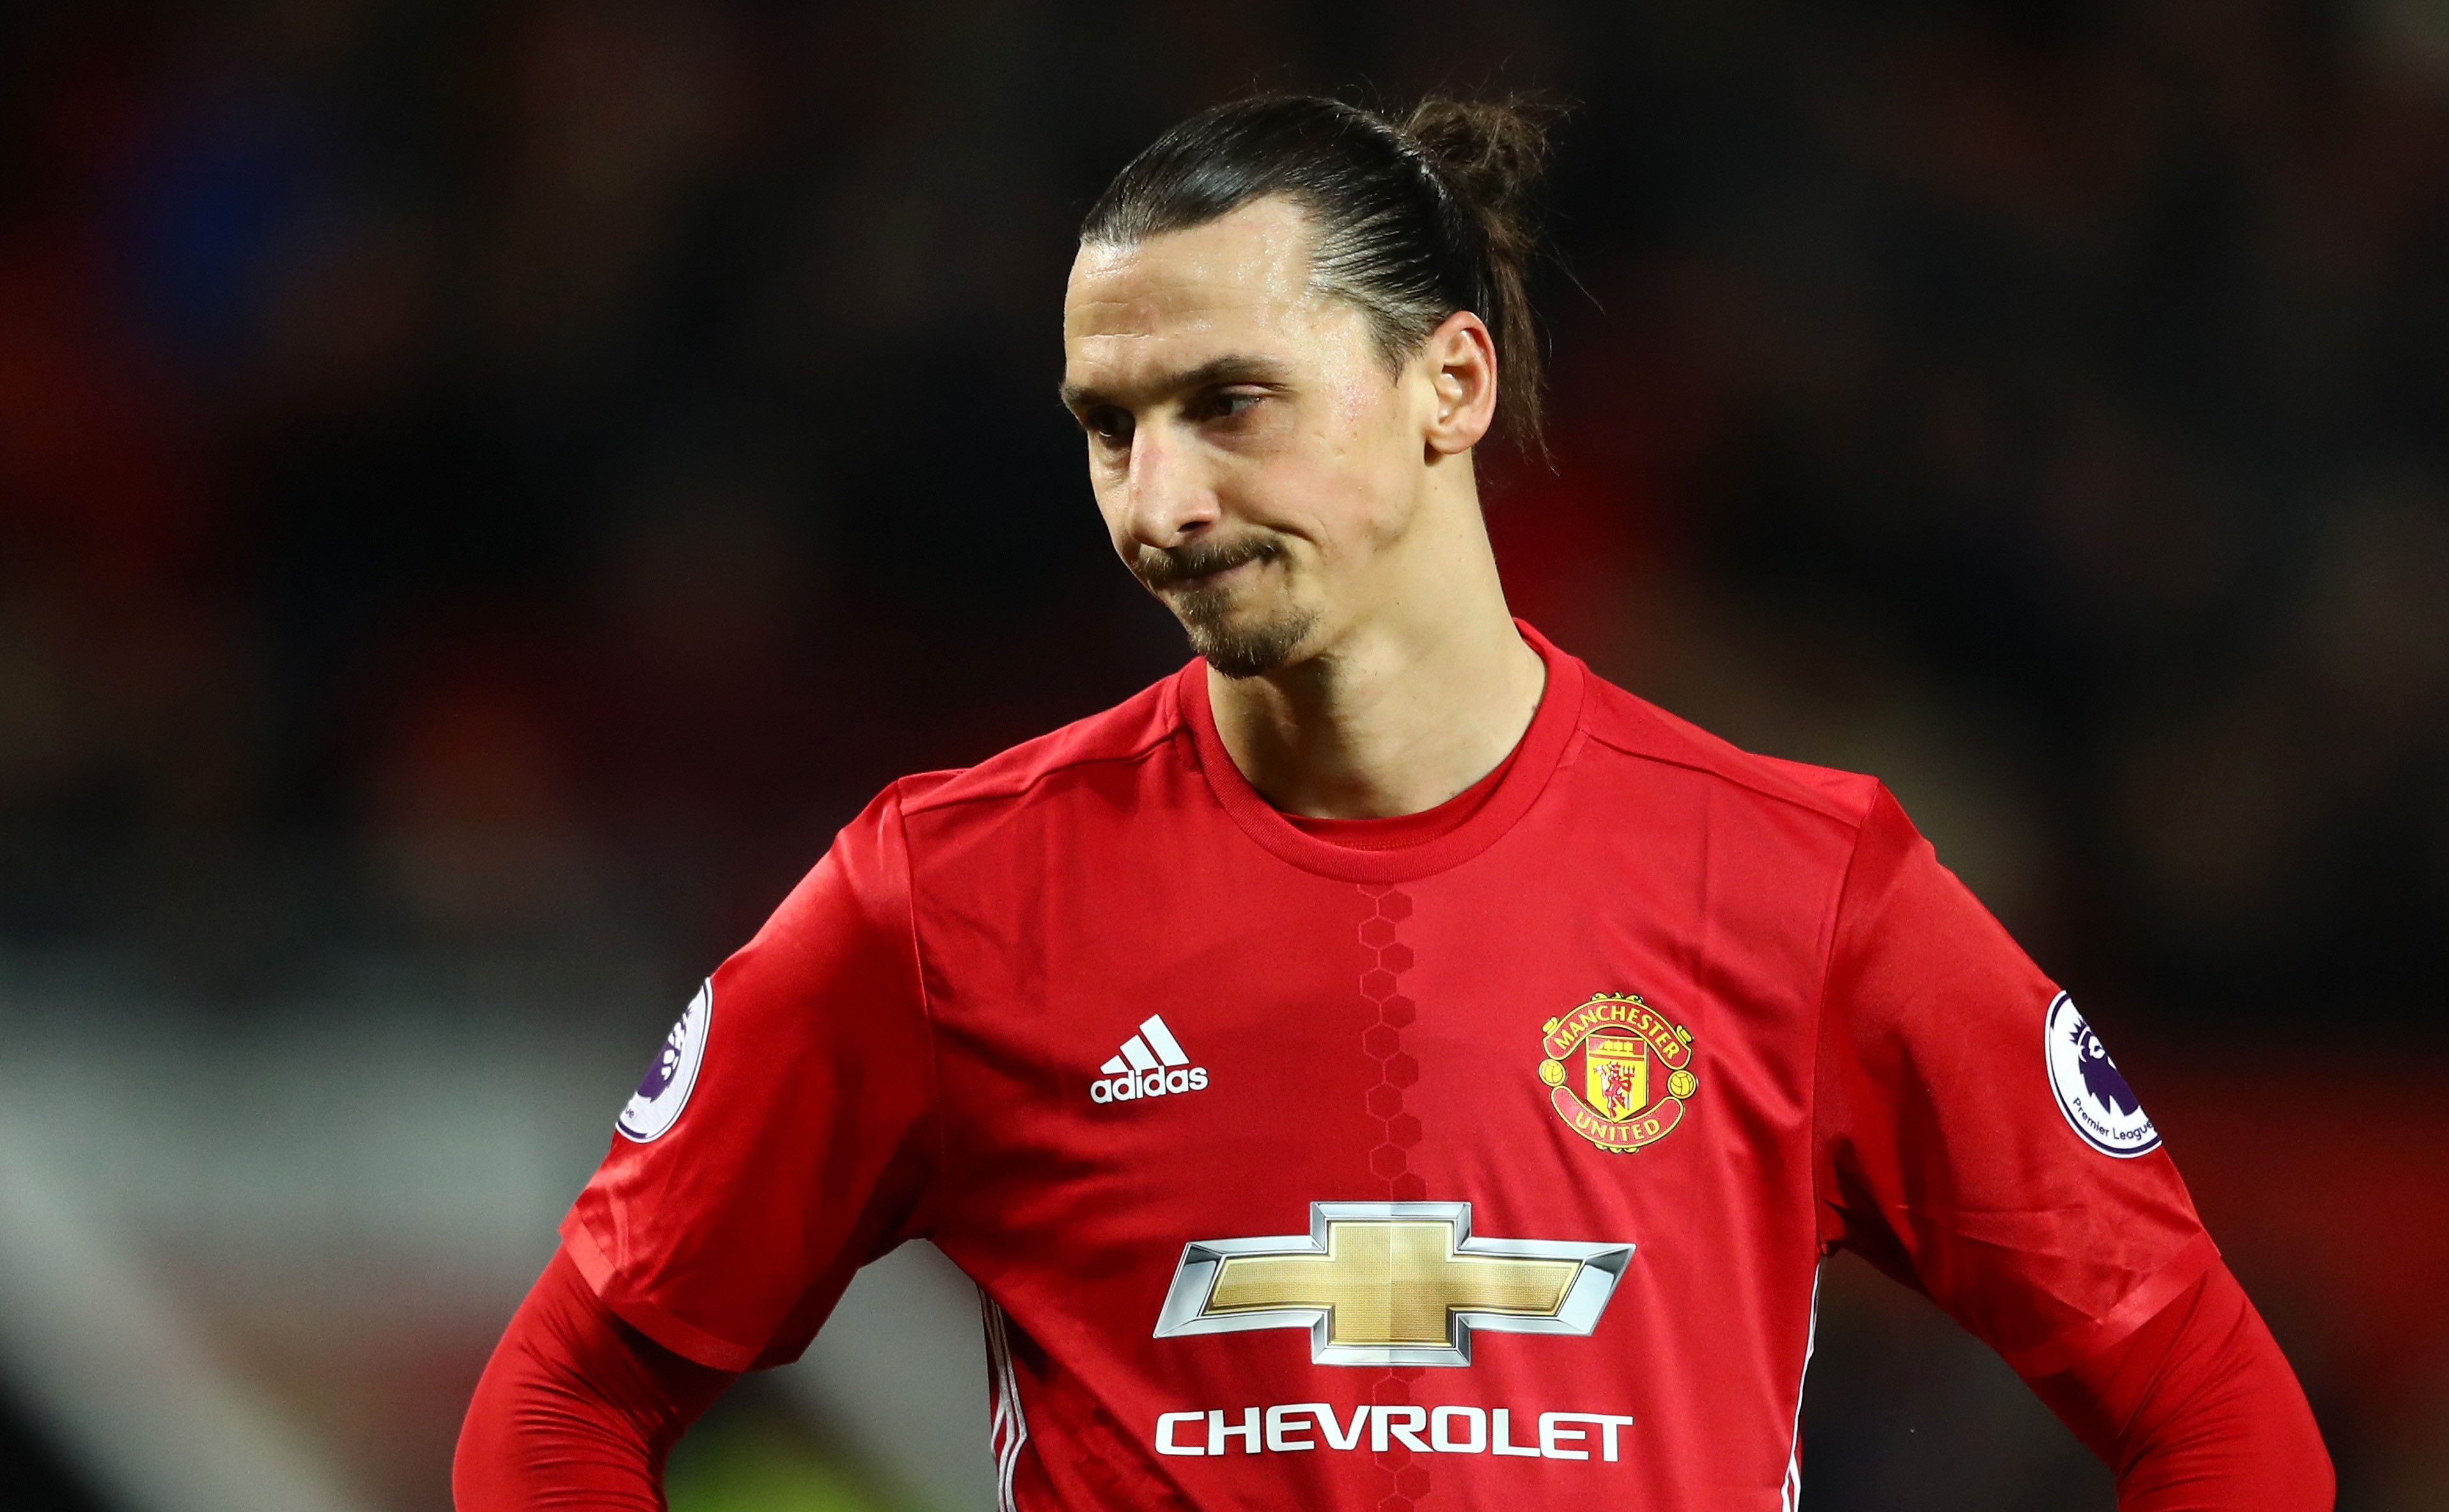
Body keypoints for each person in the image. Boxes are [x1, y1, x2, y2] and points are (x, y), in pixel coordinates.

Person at [454, 93, 2333, 1511]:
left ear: (1450, 380)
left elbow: (2209, 1406)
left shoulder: (1800, 885)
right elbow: (559, 1403)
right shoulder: (947, 899)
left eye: (1231, 404)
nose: (1158, 502)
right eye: (1109, 427)